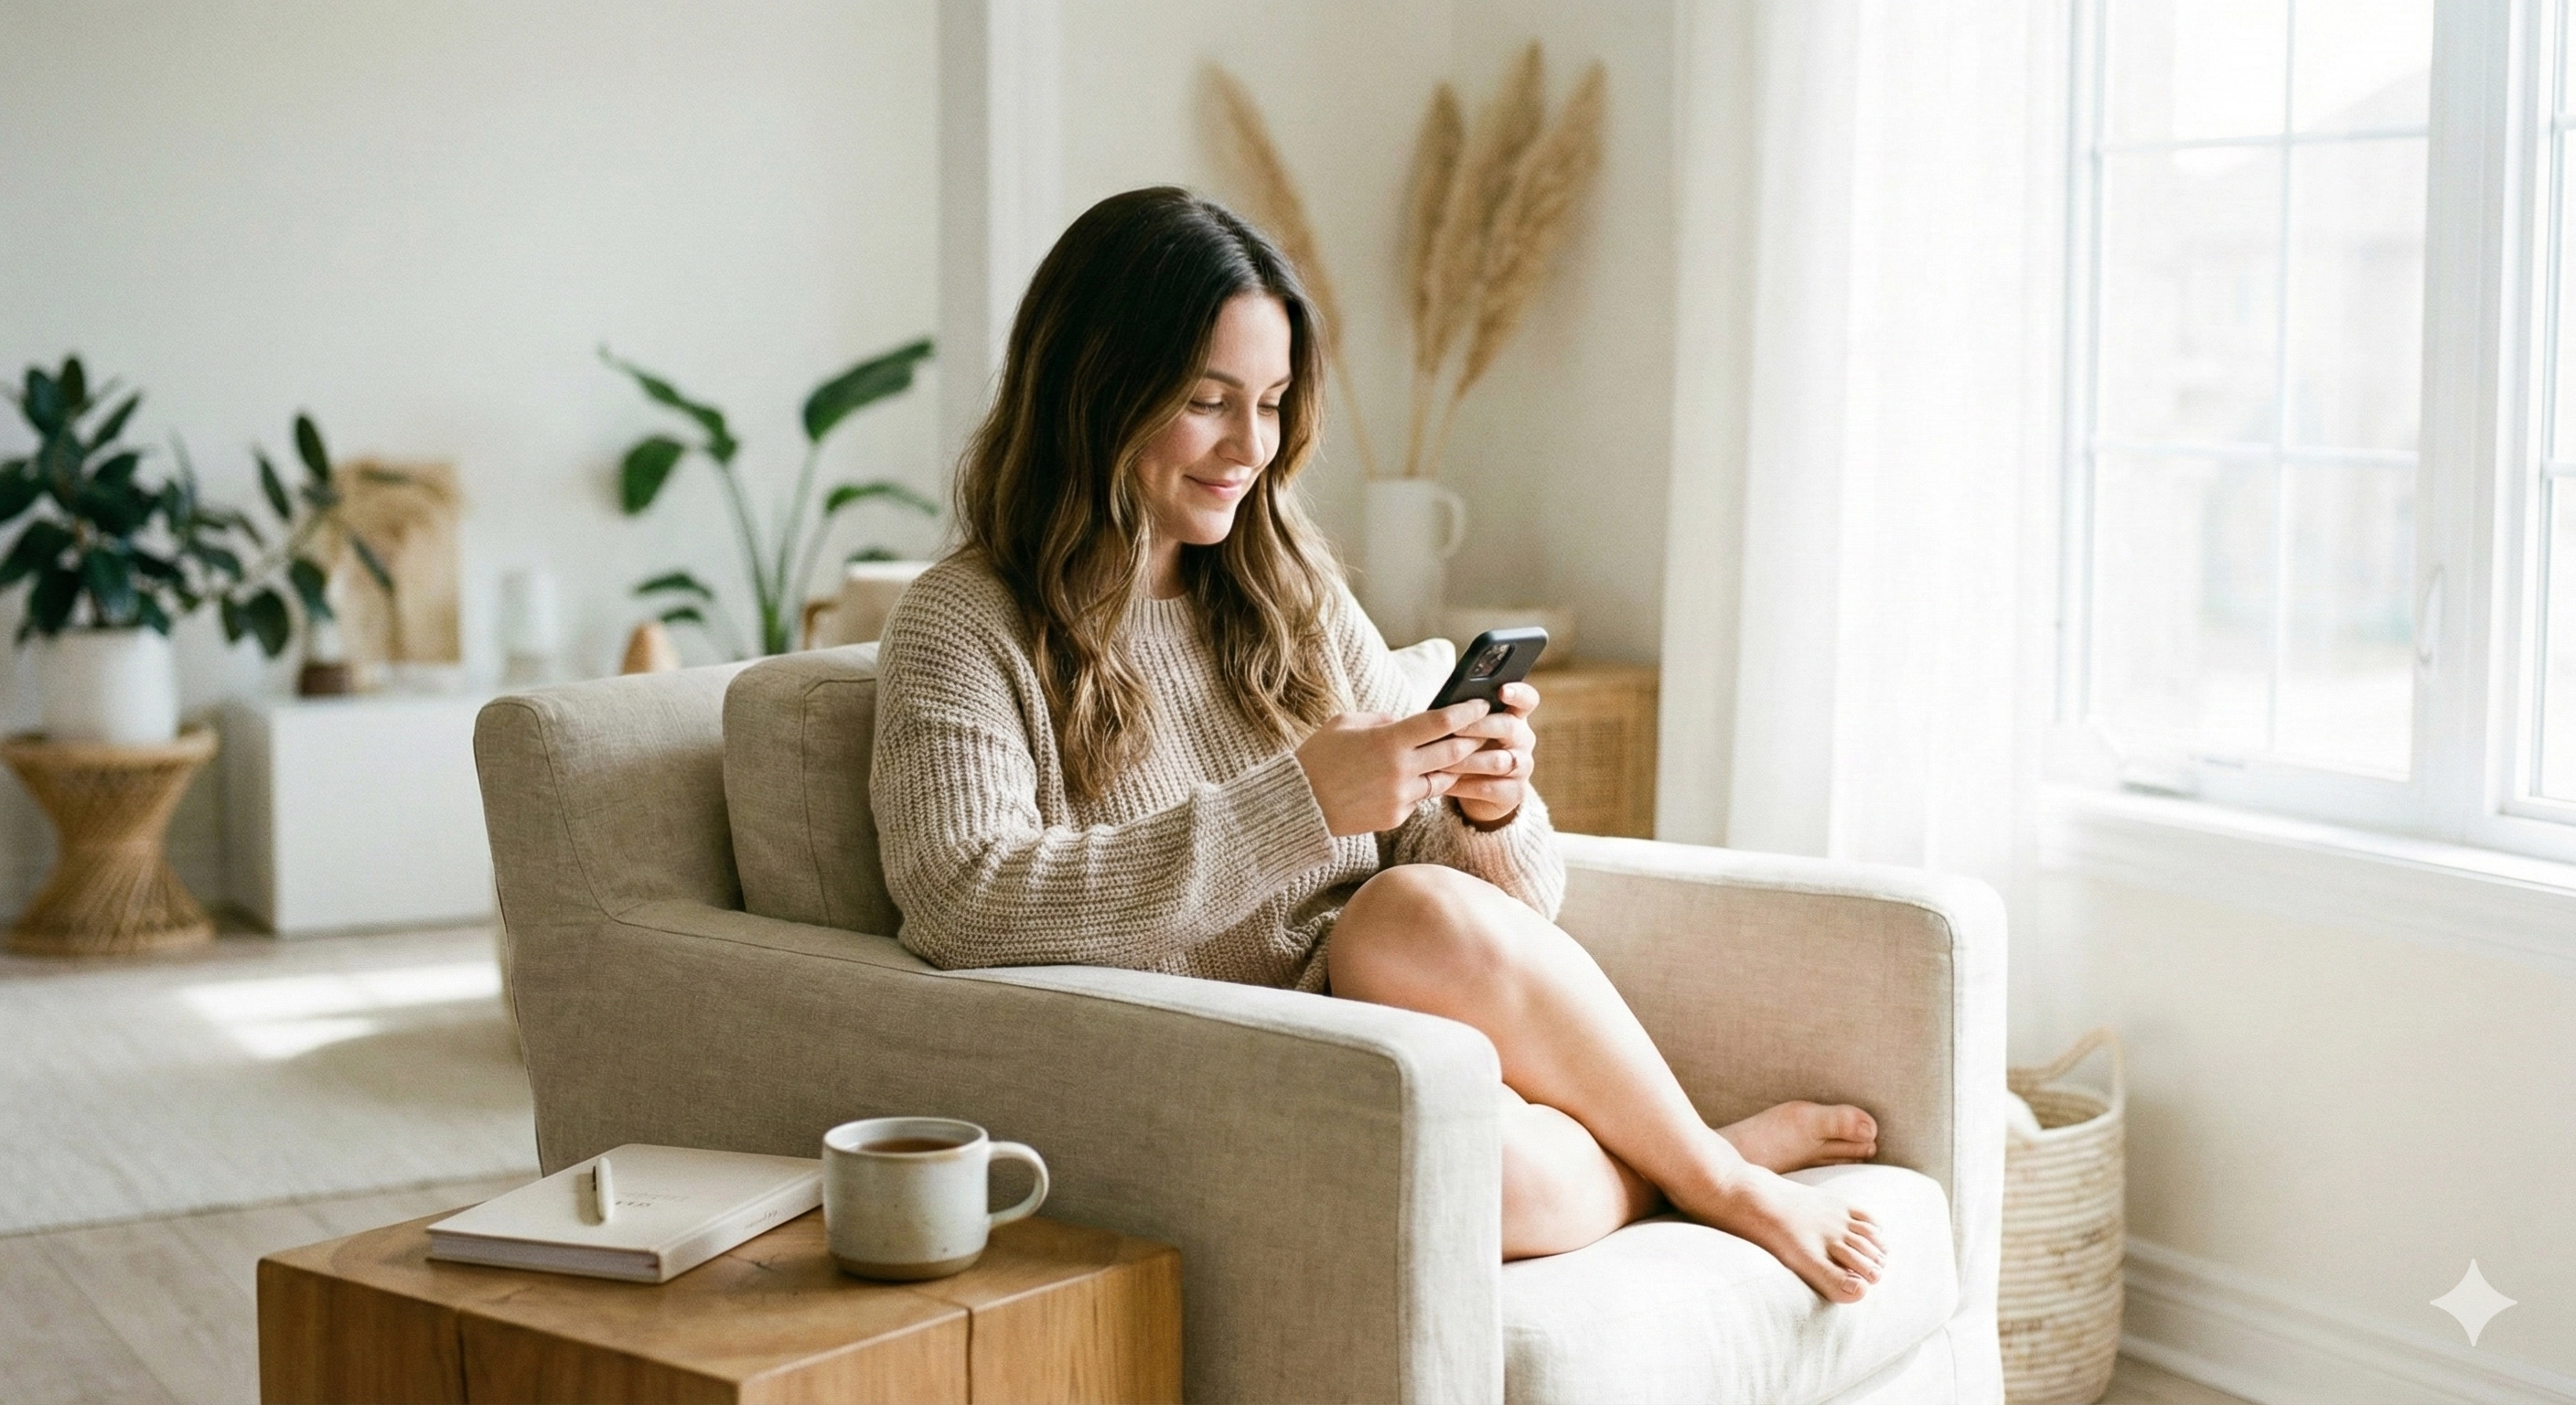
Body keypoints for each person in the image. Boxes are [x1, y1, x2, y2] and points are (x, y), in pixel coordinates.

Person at [870, 187, 1887, 1300]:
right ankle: (1703, 1160)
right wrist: (1294, 806)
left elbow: (1493, 916)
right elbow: (960, 899)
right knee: (1471, 1176)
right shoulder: (964, 622)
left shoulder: (1283, 585)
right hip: (1223, 1058)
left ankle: (1717, 1182)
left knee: (1398, 913)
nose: (1250, 446)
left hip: (1394, 1012)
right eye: (1208, 402)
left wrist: (1483, 808)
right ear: (1094, 387)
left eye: (1269, 402)